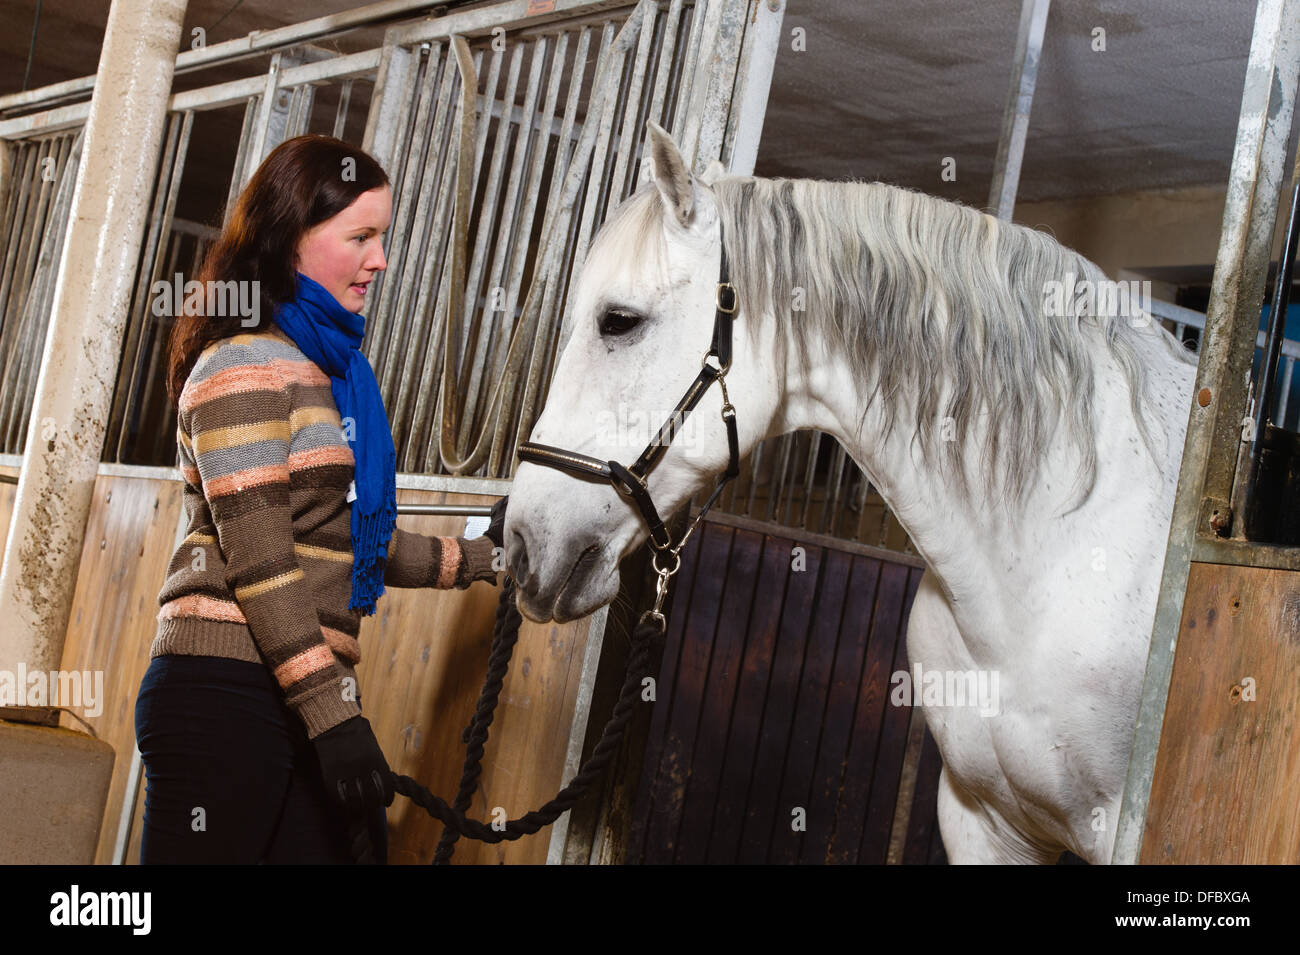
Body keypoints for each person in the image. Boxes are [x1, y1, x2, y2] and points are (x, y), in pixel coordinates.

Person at [135, 134, 506, 864]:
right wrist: (332, 715)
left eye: (384, 238)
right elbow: (263, 562)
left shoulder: (331, 375)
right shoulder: (242, 366)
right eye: (361, 237)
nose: (381, 259)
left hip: (300, 690)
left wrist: (488, 558)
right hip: (226, 689)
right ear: (290, 239)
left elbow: (352, 540)